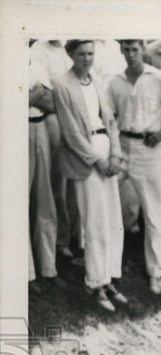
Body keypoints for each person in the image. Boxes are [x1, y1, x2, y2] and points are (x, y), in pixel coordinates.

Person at [106, 39, 161, 294]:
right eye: (126, 49)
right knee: (111, 208)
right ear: (121, 50)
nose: (131, 54)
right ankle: (109, 268)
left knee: (154, 214)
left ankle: (156, 272)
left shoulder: (158, 77)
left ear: (143, 49)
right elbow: (109, 116)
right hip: (122, 147)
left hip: (150, 149)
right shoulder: (115, 81)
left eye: (135, 49)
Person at [52, 39, 126, 312]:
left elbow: (110, 121)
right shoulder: (62, 85)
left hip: (106, 148)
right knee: (95, 222)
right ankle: (95, 283)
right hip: (86, 156)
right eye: (82, 54)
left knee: (113, 219)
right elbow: (71, 133)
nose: (87, 59)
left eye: (91, 53)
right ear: (70, 54)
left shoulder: (97, 81)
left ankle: (109, 278)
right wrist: (96, 160)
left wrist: (115, 154)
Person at [28, 42, 62, 294]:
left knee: (45, 199)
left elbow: (50, 102)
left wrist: (34, 95)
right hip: (14, 129)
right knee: (18, 204)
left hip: (39, 127)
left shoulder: (35, 59)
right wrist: (36, 93)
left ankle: (48, 267)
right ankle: (27, 272)